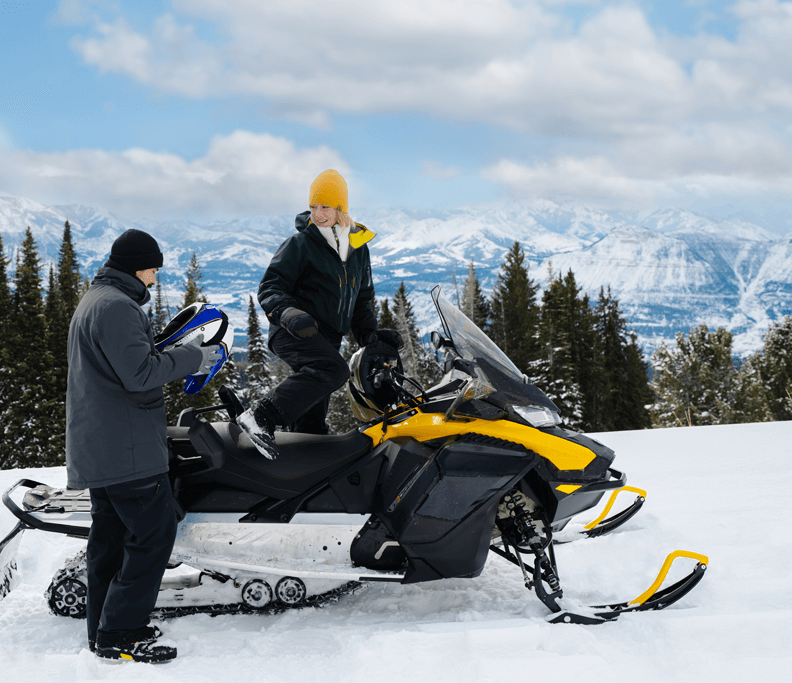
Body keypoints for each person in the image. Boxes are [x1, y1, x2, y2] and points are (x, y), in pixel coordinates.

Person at [65, 229, 220, 663]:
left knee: (110, 540)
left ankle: (103, 629)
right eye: (153, 269)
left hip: (104, 444)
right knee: (154, 533)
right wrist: (194, 357)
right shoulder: (117, 307)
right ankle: (123, 632)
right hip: (126, 448)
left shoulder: (99, 299)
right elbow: (139, 374)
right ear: (137, 266)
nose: (154, 279)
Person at [238, 169, 401, 457]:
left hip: (326, 338)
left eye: (325, 206)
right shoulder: (299, 245)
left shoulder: (357, 249)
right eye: (313, 206)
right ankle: (261, 416)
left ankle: (300, 472)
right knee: (333, 369)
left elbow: (361, 299)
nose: (318, 213)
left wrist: (370, 336)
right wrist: (288, 313)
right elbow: (270, 287)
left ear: (341, 209)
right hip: (292, 331)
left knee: (311, 422)